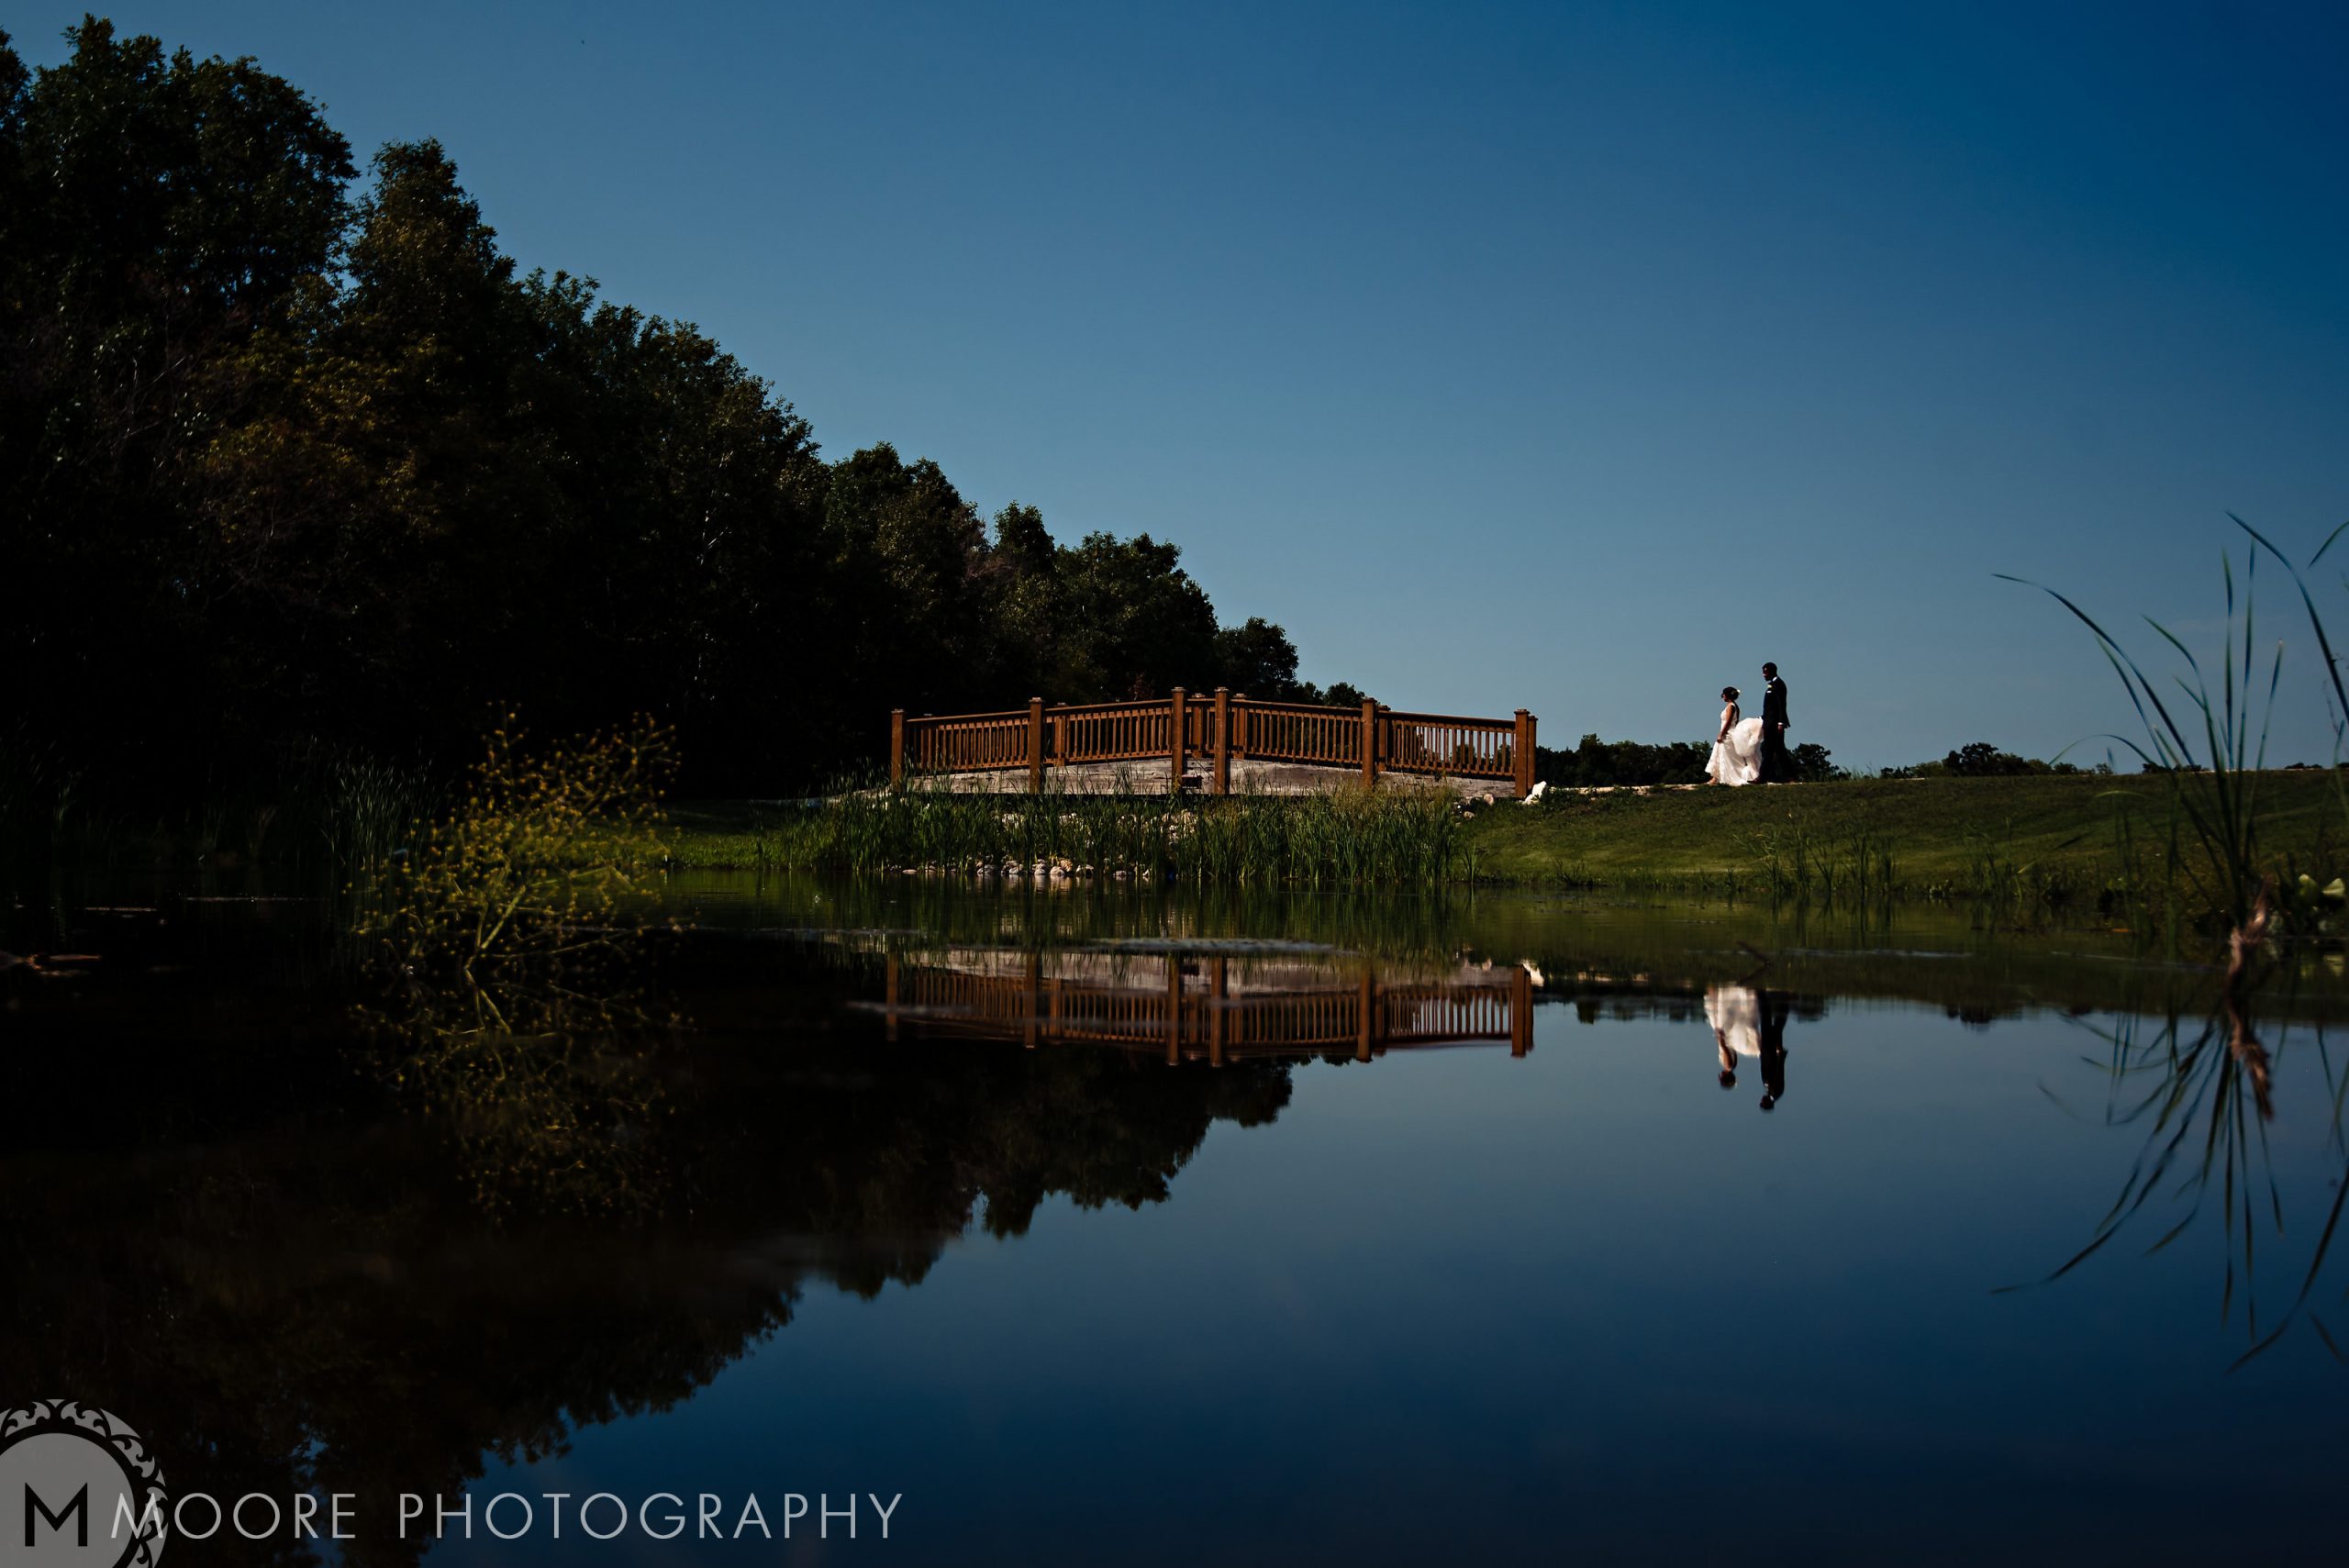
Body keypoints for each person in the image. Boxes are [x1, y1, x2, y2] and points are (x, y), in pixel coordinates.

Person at [1704, 685, 1764, 786]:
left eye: (1723, 694)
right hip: (1728, 731)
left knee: (1725, 755)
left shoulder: (1731, 706)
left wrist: (1721, 734)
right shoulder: (1734, 706)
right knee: (1719, 754)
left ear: (1726, 695)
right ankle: (1715, 777)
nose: (1722, 697)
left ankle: (1724, 777)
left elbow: (1728, 722)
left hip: (1727, 733)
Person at [1758, 662, 1794, 783]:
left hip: (1774, 724)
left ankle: (1763, 777)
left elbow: (1781, 704)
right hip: (1769, 722)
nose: (1763, 675)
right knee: (1774, 750)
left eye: (1765, 672)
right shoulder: (1772, 685)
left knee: (1773, 750)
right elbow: (1770, 707)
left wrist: (1781, 722)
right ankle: (1785, 775)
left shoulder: (1778, 684)